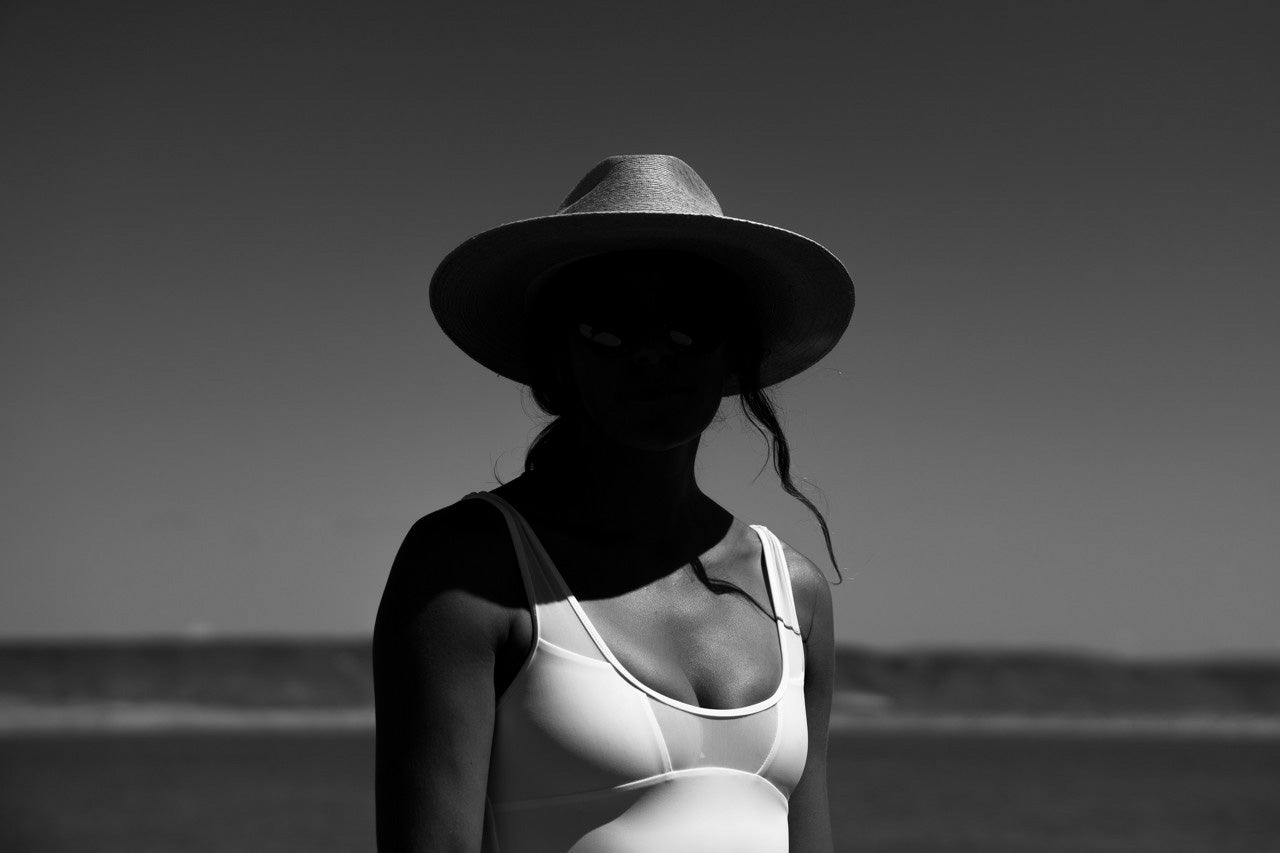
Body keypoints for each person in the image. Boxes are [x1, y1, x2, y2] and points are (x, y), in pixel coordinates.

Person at [373, 154, 854, 852]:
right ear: (558, 356)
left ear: (734, 358)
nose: (653, 353)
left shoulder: (795, 592)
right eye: (610, 326)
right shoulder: (468, 570)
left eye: (689, 326)